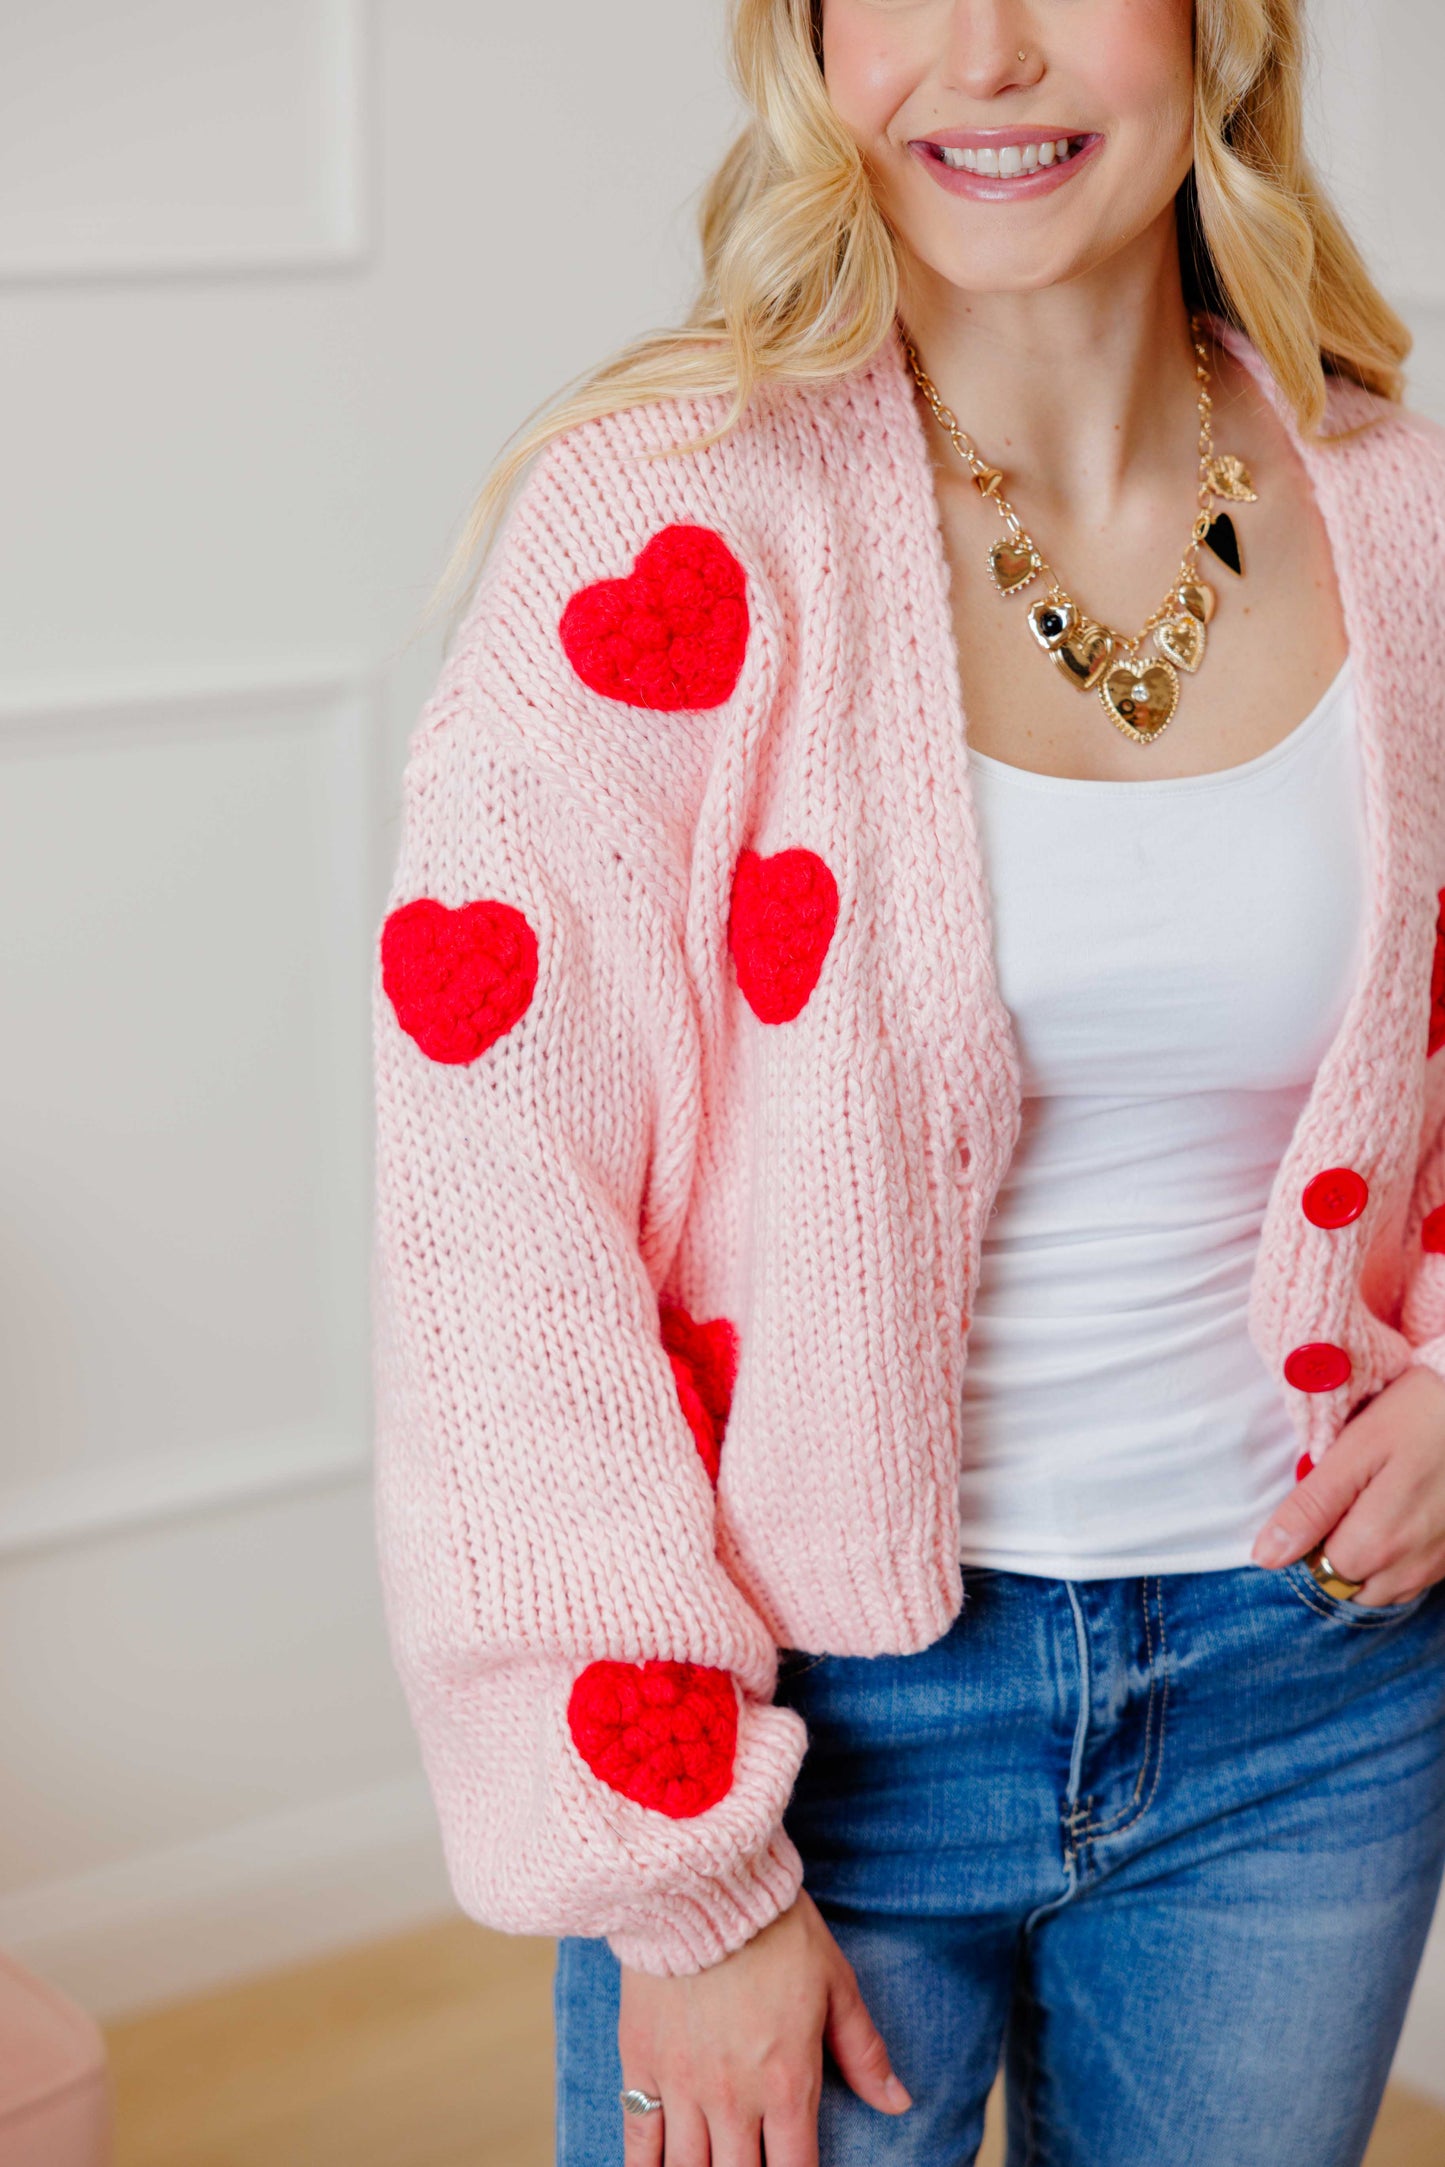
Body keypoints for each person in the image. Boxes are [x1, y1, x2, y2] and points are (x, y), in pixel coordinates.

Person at [370, 2, 1445, 2161]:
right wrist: (678, 1877)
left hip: (1314, 1703)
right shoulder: (665, 532)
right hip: (811, 1743)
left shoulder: (1400, 511)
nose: (984, 52)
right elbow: (499, 1226)